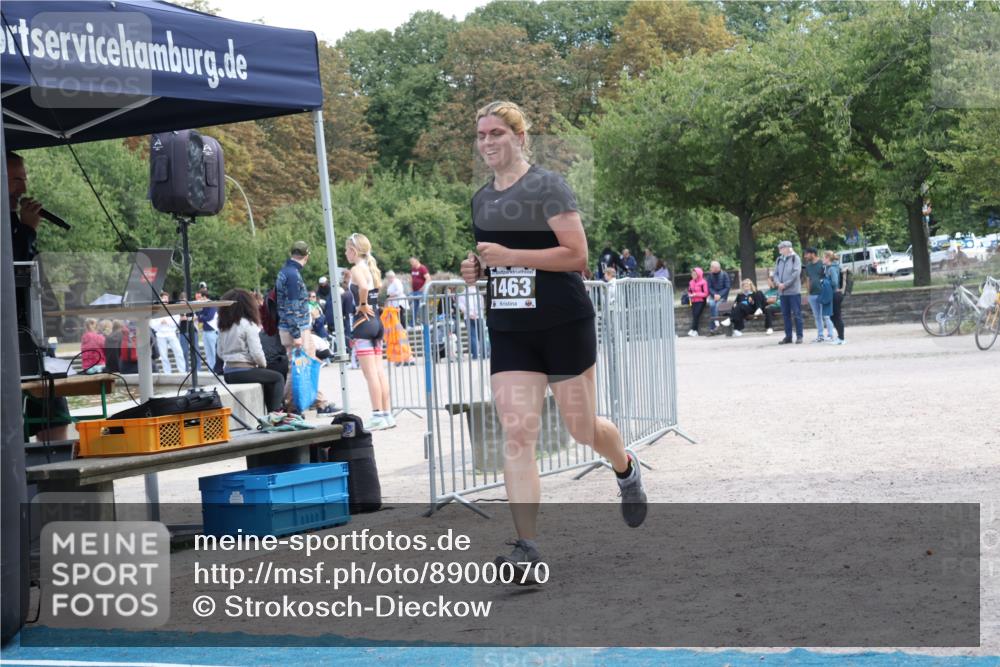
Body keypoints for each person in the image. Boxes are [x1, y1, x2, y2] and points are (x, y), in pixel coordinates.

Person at [462, 100, 646, 580]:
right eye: (481, 135)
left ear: (520, 137)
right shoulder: (482, 199)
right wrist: (477, 268)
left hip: (563, 323)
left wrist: (510, 254)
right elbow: (495, 259)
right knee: (518, 433)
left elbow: (576, 255)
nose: (487, 142)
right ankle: (527, 548)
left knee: (581, 431)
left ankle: (625, 467)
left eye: (497, 133)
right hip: (510, 328)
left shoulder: (547, 186)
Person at [8, 151, 71, 440]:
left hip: (31, 333)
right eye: (15, 179)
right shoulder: (17, 227)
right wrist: (28, 231)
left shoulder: (17, 223)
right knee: (12, 425)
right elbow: (12, 272)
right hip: (9, 338)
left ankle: (57, 476)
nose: (23, 187)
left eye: (24, 178)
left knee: (54, 416)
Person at [276, 241, 336, 413]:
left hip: (290, 328)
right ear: (306, 256)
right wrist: (297, 335)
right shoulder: (293, 275)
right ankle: (291, 407)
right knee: (298, 367)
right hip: (297, 330)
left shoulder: (285, 272)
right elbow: (292, 307)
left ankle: (315, 402)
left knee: (302, 366)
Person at [346, 233, 393, 430]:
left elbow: (363, 287)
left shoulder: (357, 268)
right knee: (379, 372)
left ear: (353, 251)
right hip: (376, 322)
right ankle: (386, 413)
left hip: (363, 323)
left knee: (370, 374)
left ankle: (377, 414)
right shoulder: (371, 268)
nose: (345, 253)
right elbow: (376, 286)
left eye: (346, 250)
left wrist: (362, 304)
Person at [217, 288, 286, 415]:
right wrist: (263, 365)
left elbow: (220, 353)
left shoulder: (224, 326)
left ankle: (272, 415)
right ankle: (276, 415)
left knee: (266, 378)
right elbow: (257, 353)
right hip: (244, 371)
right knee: (278, 378)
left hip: (228, 373)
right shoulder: (248, 325)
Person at [772, 241, 804, 344]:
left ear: (788, 248)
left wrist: (785, 284)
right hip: (782, 292)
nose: (780, 250)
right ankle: (788, 337)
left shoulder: (796, 258)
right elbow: (775, 273)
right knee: (785, 315)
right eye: (780, 248)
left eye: (781, 248)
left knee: (797, 314)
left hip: (793, 292)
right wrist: (778, 283)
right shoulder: (778, 259)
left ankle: (799, 336)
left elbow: (796, 274)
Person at [150, 292, 187, 374]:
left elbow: (176, 321)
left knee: (179, 352)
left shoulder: (172, 308)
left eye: (166, 298)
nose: (165, 300)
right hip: (160, 334)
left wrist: (167, 322)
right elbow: (152, 323)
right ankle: (167, 372)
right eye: (164, 298)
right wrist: (160, 322)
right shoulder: (156, 309)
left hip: (171, 333)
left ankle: (182, 371)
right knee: (163, 356)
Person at [802, 247, 826, 343]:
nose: (805, 256)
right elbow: (807, 280)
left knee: (827, 315)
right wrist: (808, 293)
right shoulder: (808, 266)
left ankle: (830, 335)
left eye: (806, 254)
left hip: (823, 293)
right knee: (817, 316)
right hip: (812, 295)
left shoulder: (822, 263)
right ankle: (820, 335)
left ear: (813, 254)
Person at [456, 283, 484, 359]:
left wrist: (470, 313)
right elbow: (481, 305)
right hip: (479, 316)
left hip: (468, 317)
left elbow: (461, 306)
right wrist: (476, 313)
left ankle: (475, 355)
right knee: (481, 336)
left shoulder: (462, 294)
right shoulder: (479, 294)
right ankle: (484, 354)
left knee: (472, 336)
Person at [822, 251, 844, 344]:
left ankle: (841, 338)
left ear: (828, 258)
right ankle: (840, 337)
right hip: (834, 294)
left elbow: (834, 282)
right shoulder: (831, 267)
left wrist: (824, 282)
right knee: (833, 316)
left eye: (823, 257)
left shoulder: (831, 269)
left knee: (836, 317)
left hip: (835, 294)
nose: (823, 259)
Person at [195, 289, 219, 373]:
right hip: (205, 332)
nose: (199, 299)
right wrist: (201, 317)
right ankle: (210, 370)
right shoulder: (202, 305)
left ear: (204, 297)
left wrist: (201, 317)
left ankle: (216, 370)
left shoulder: (212, 304)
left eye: (200, 297)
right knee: (208, 353)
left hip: (212, 331)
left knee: (214, 352)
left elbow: (209, 317)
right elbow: (199, 315)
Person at [706, 261, 731, 333]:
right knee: (712, 304)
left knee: (717, 306)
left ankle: (715, 326)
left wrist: (720, 295)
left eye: (717, 267)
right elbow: (709, 287)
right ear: (711, 268)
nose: (715, 269)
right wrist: (714, 295)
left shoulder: (724, 274)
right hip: (713, 296)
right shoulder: (710, 275)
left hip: (722, 296)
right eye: (713, 267)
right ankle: (715, 324)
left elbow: (727, 287)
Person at [687, 267, 708, 336]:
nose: (693, 276)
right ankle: (695, 331)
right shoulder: (691, 282)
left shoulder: (703, 282)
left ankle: (693, 329)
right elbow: (689, 291)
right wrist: (690, 295)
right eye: (692, 274)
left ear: (698, 274)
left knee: (696, 314)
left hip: (701, 301)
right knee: (695, 315)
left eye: (694, 274)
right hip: (693, 301)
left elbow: (706, 294)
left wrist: (696, 294)